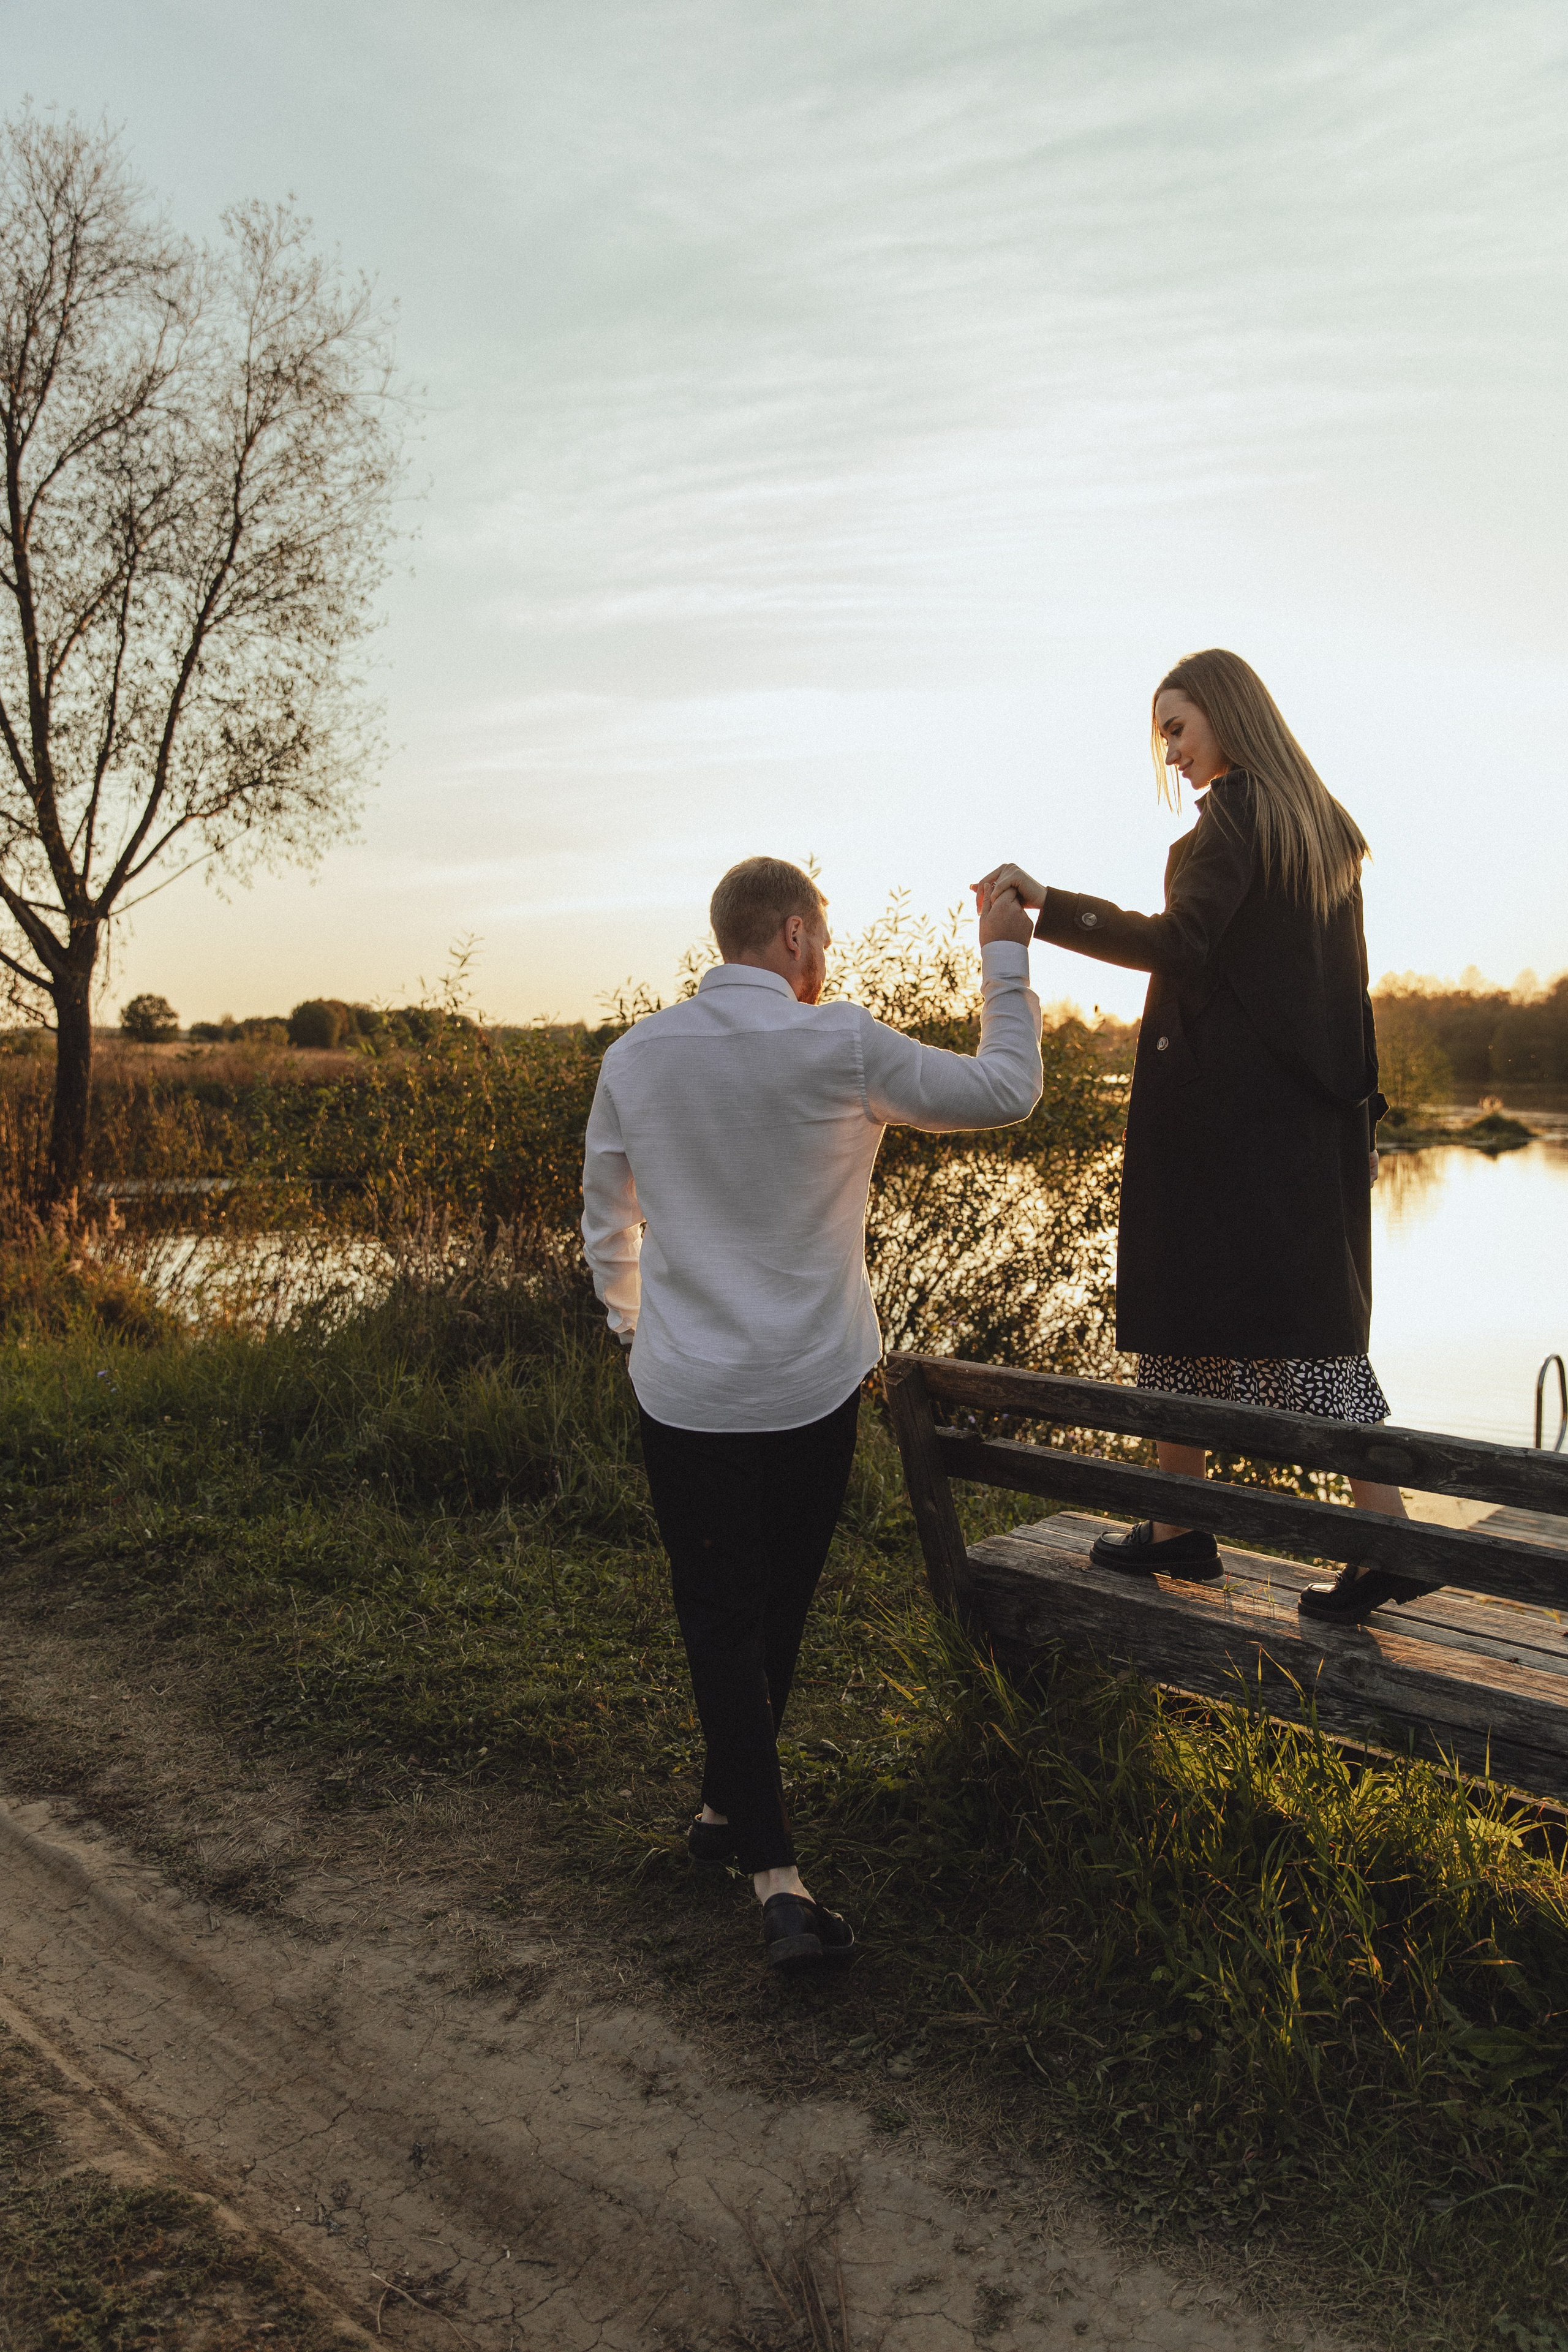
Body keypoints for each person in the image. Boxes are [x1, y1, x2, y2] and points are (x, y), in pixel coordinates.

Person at [581, 855, 1042, 1972]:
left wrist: (640, 1332)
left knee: (722, 1615)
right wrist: (1004, 943)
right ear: (792, 934)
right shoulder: (839, 1042)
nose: (824, 959)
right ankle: (778, 1883)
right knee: (772, 1607)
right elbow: (1005, 1089)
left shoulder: (636, 1058)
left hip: (686, 1396)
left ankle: (727, 1813)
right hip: (811, 1392)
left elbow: (609, 1223)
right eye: (821, 940)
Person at [976, 646, 1427, 1625]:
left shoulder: (1237, 815)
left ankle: (1380, 1541)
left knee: (1267, 1332)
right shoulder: (1317, 830)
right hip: (1302, 1127)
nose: (1172, 753)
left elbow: (1182, 944)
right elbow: (1335, 998)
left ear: (1226, 714)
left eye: (1178, 727)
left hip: (1225, 1128)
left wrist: (1048, 910)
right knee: (1266, 1324)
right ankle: (1185, 1529)